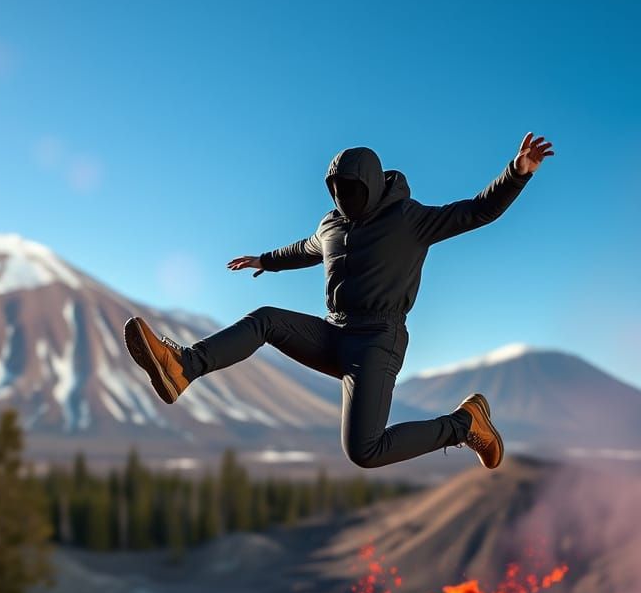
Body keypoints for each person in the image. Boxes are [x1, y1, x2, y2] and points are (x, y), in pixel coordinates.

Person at [124, 132, 553, 470]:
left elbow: (478, 210)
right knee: (265, 319)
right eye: (336, 190)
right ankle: (183, 366)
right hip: (334, 333)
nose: (343, 198)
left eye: (350, 190)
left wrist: (516, 173)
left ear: (371, 185)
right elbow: (306, 249)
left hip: (377, 341)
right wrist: (266, 261)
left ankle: (464, 424)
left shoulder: (410, 219)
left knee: (364, 451)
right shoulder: (332, 224)